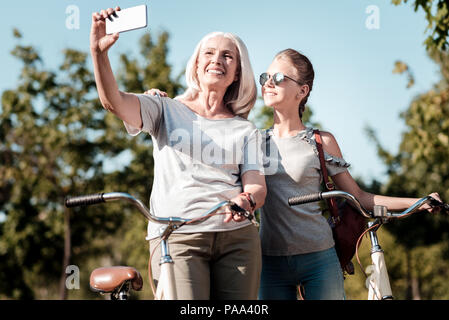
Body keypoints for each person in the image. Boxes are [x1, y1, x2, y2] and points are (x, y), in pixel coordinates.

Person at [90, 7, 266, 299]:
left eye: (227, 56)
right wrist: (99, 53)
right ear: (196, 65)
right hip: (177, 236)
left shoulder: (245, 129)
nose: (217, 60)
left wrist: (246, 199)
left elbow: (257, 185)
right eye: (208, 53)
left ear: (237, 73)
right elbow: (114, 102)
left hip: (238, 240)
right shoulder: (163, 108)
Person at [257, 48, 443, 300]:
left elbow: (358, 196)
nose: (269, 82)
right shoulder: (254, 143)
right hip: (270, 261)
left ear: (303, 91)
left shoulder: (320, 142)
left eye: (278, 78)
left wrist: (418, 202)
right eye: (265, 77)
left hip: (319, 259)